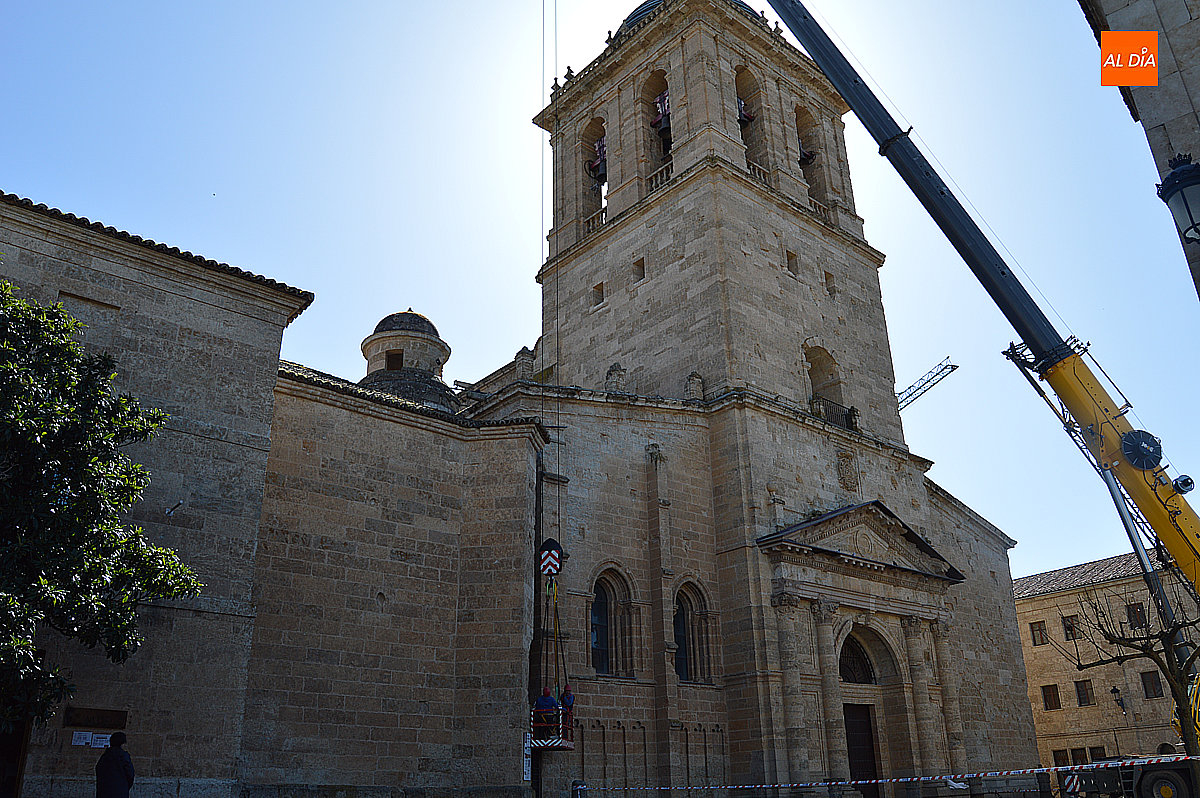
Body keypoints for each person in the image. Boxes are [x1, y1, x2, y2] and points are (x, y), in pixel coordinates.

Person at [95, 731, 134, 798]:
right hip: (119, 791)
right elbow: (130, 774)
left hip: (104, 791)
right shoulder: (123, 756)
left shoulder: (105, 756)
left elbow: (98, 769)